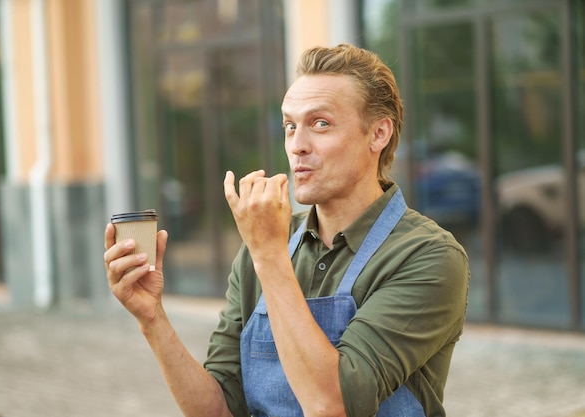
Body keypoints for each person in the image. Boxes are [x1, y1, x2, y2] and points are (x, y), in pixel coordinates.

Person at [104, 43, 469, 417]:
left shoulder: (428, 256)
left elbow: (332, 404)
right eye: (290, 126)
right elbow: (217, 410)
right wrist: (152, 318)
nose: (297, 146)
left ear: (378, 134)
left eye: (320, 124)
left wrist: (269, 256)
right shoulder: (265, 249)